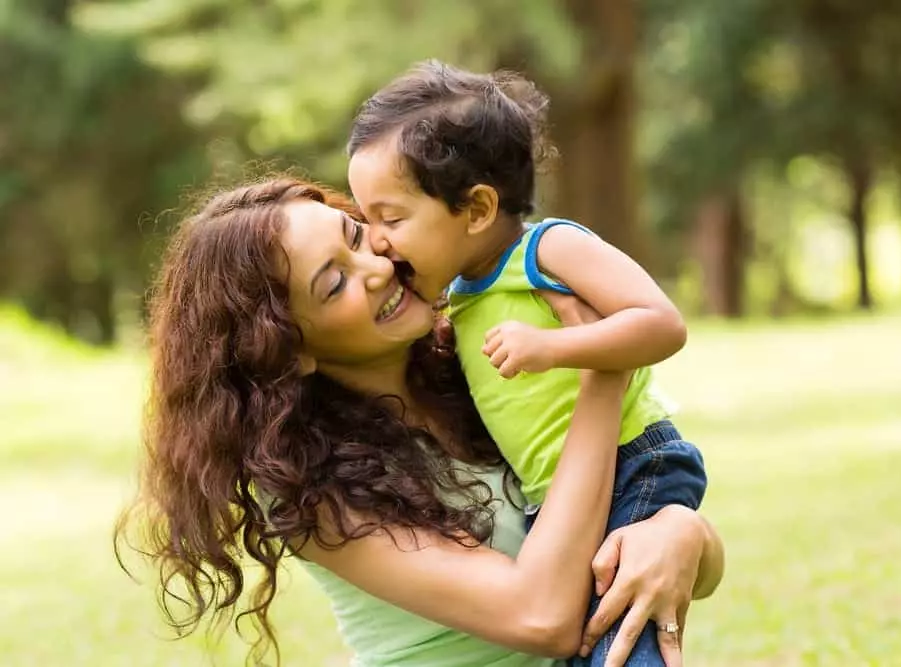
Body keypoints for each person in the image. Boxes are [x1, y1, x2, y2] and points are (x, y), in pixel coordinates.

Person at [115, 177, 724, 667]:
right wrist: (601, 366)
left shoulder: (481, 361)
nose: (375, 267)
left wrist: (680, 532)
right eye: (335, 283)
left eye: (356, 235)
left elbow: (643, 529)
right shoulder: (312, 490)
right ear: (287, 349)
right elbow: (541, 617)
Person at [347, 61, 708, 666]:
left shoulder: (548, 250)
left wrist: (557, 348)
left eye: (392, 218)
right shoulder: (459, 295)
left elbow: (661, 323)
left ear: (478, 208)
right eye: (366, 220)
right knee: (590, 638)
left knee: (621, 637)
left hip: (632, 462)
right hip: (559, 494)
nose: (378, 241)